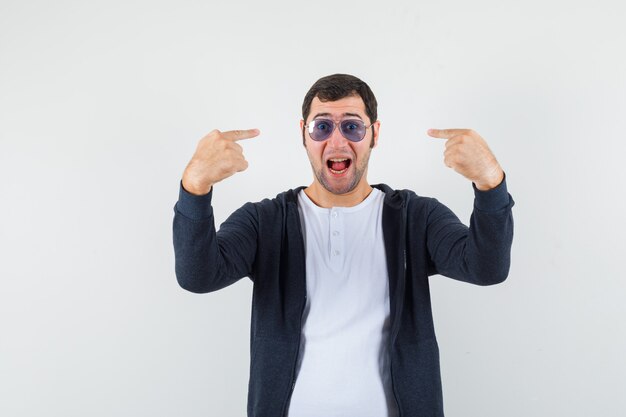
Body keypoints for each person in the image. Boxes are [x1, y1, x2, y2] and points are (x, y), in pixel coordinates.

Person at [172, 73, 514, 417]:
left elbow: (486, 267)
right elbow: (197, 276)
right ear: (303, 134)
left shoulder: (416, 217)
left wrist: (489, 181)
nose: (336, 143)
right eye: (322, 128)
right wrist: (196, 185)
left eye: (352, 127)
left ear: (374, 134)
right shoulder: (265, 222)